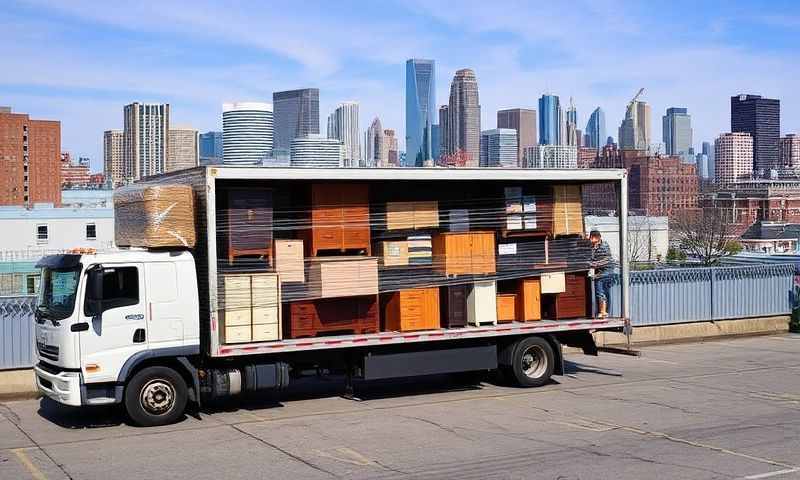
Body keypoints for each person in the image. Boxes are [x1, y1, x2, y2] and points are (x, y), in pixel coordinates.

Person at [589, 229, 614, 318]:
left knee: (600, 291)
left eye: (591, 237)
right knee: (605, 291)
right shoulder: (595, 246)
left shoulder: (603, 246)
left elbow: (601, 261)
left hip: (606, 271)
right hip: (603, 271)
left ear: (597, 237)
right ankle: (605, 312)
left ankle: (603, 312)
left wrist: (590, 265)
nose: (590, 239)